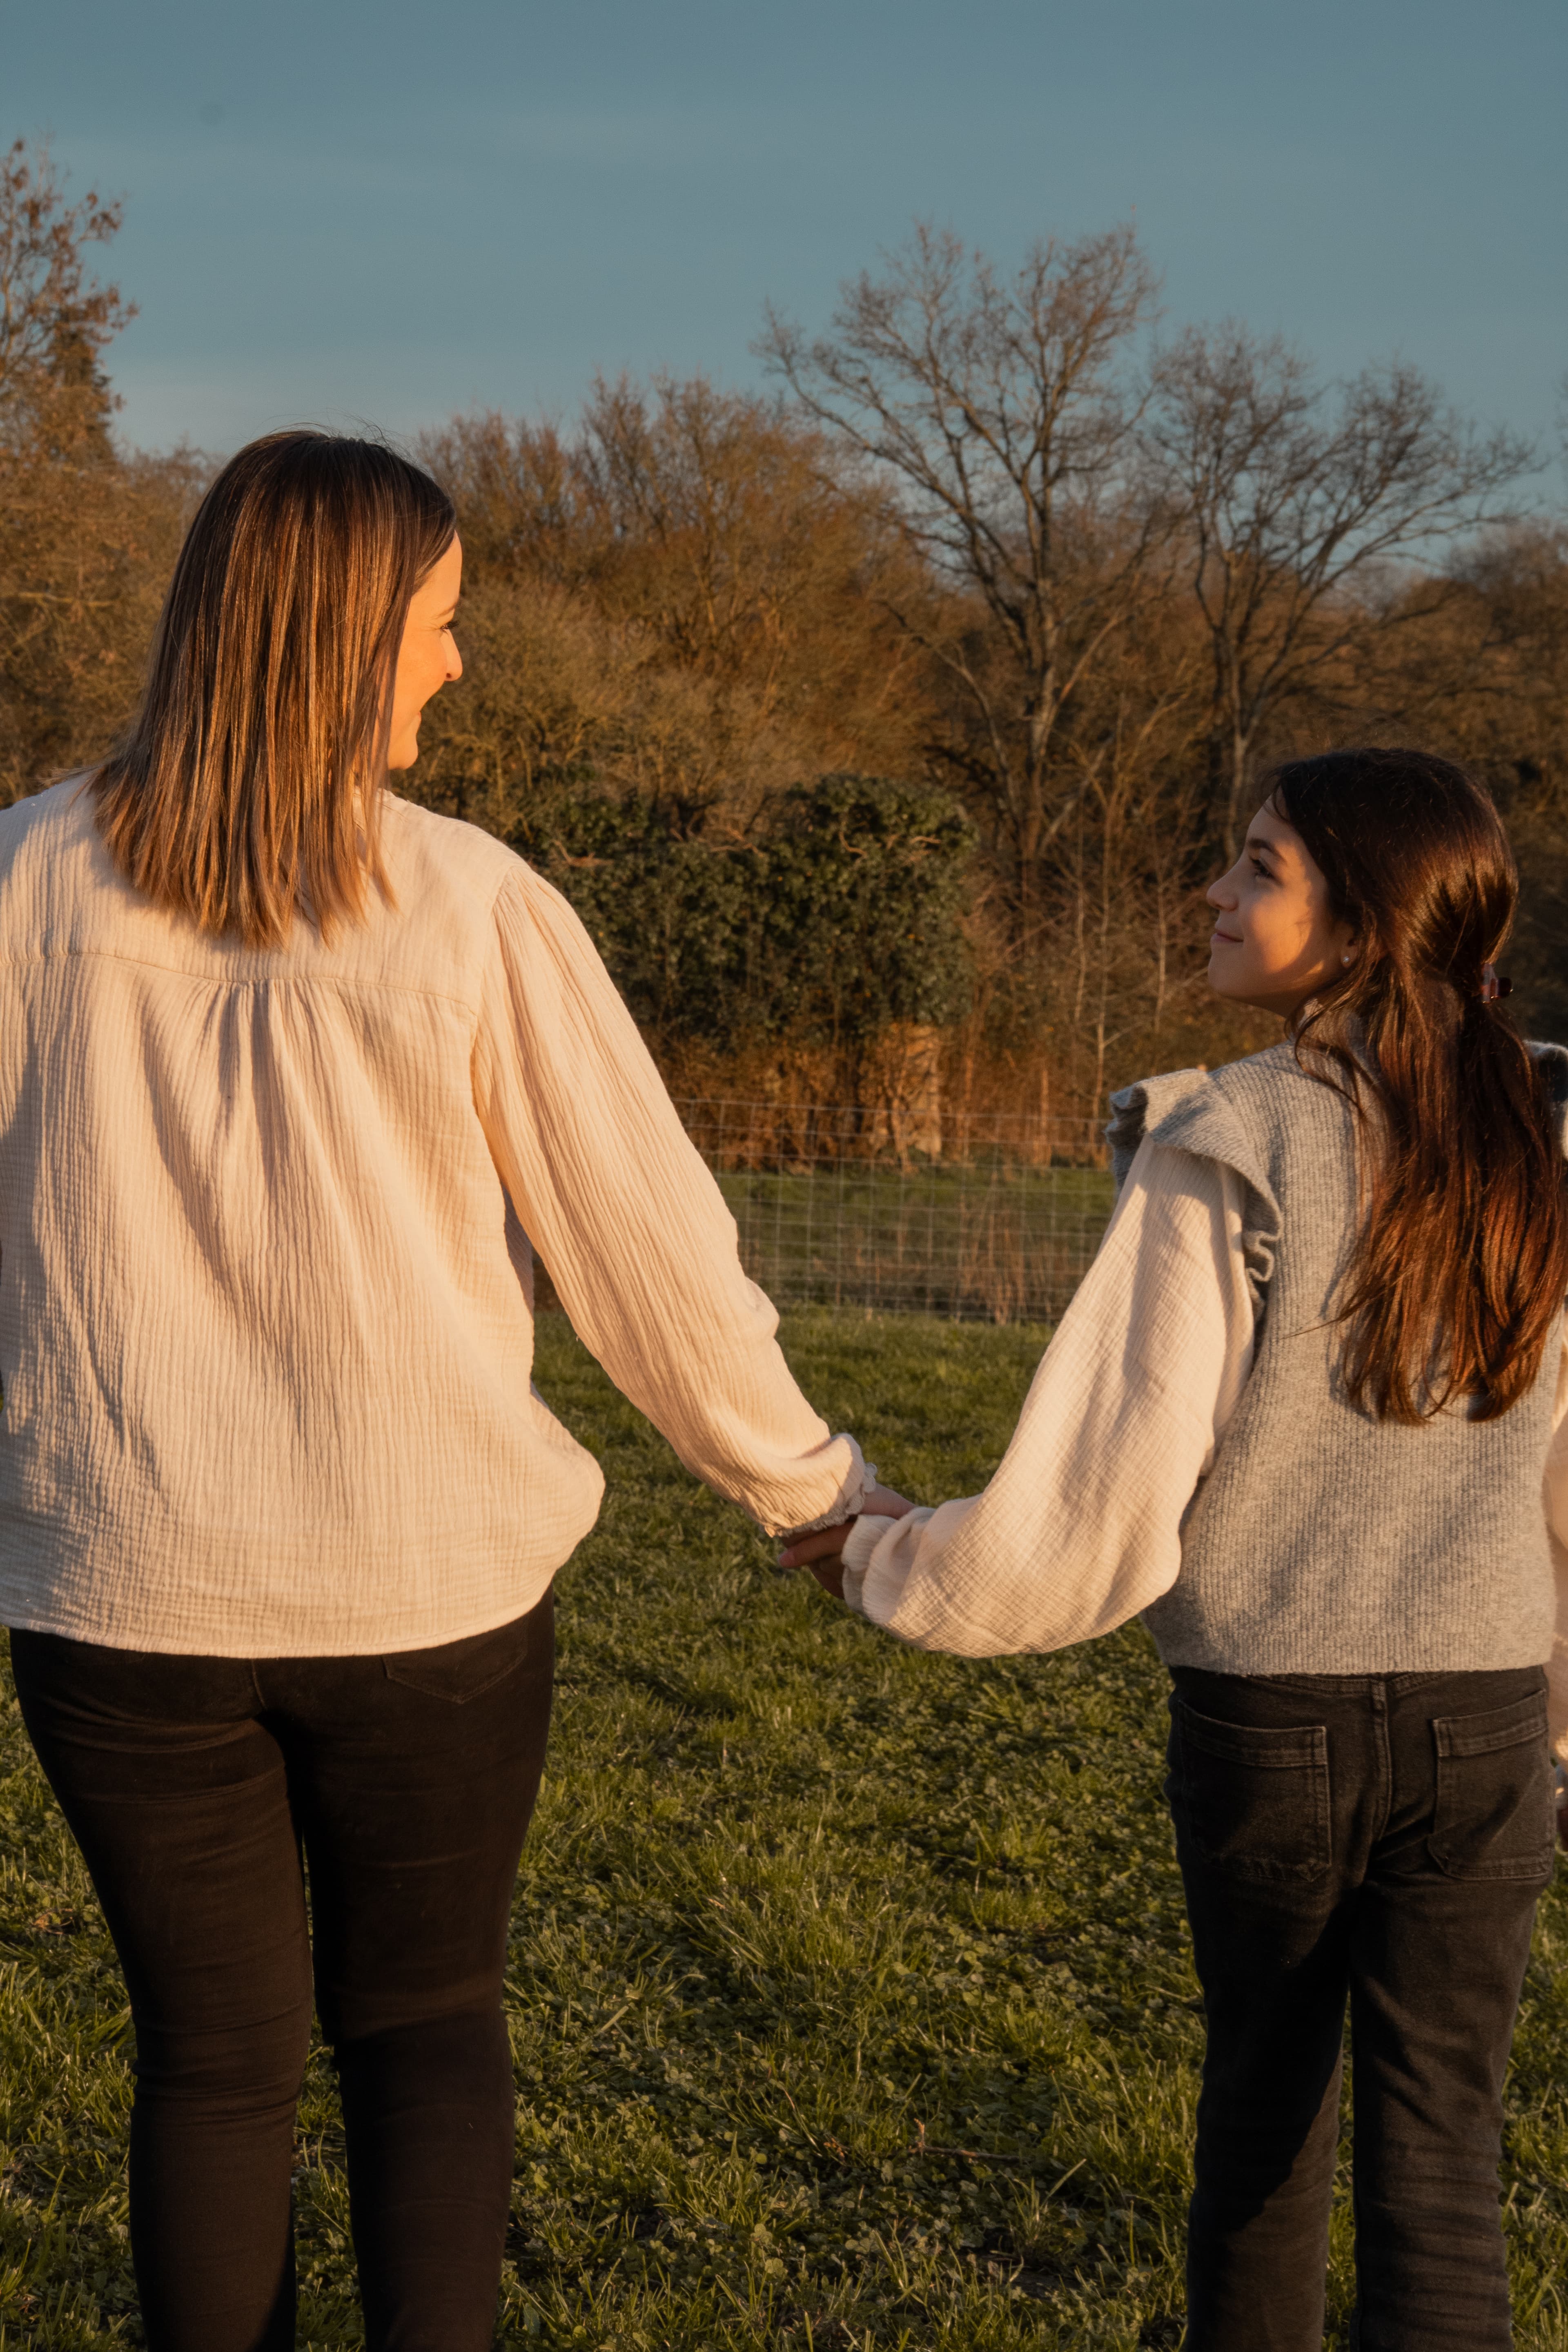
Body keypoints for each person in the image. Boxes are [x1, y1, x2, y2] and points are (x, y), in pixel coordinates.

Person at [0, 428, 908, 2352]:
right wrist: (810, 1492)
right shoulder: (474, 906)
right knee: (422, 2028)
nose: (457, 665)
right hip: (425, 1600)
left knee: (209, 2069)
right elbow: (648, 1257)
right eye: (437, 624)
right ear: (337, 639)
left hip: (114, 1597)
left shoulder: (18, 884)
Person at [784, 747, 1568, 2352]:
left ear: (1362, 918)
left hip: (1276, 1724)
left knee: (1263, 2131)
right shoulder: (1533, 1148)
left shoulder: (1231, 1138)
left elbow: (1106, 1488)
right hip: (1490, 1724)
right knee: (1442, 2168)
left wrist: (883, 1554)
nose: (1215, 890)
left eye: (1260, 866)